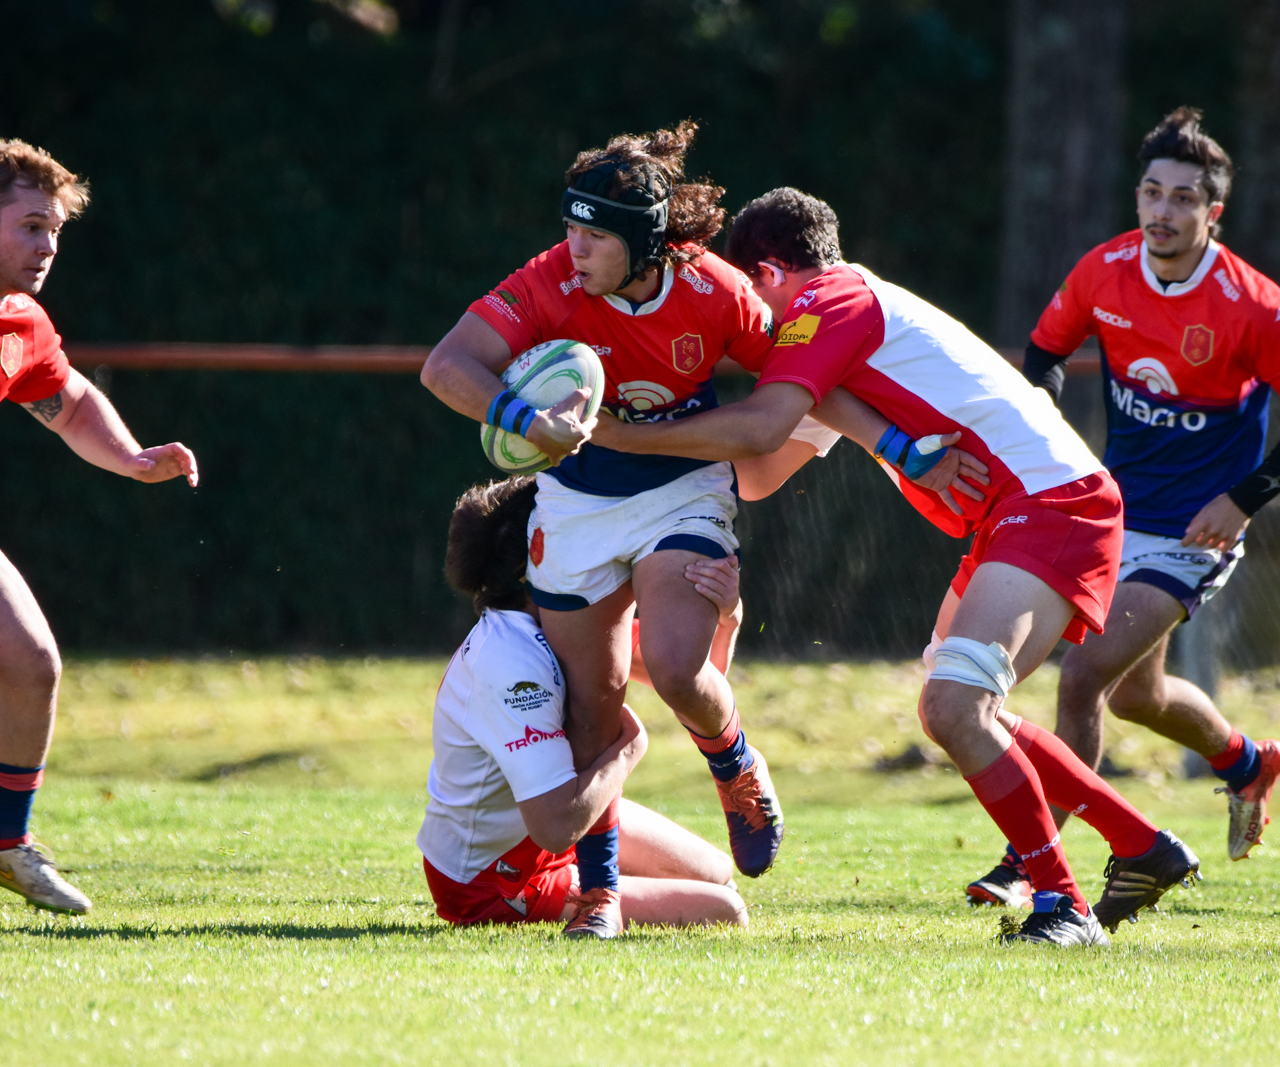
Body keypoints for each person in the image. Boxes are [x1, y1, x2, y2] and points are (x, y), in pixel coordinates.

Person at [593, 187, 1200, 946]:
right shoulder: (829, 339)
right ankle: (1142, 845)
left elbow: (759, 425)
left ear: (773, 274)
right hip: (1016, 514)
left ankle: (1063, 905)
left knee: (956, 705)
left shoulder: (830, 299)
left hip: (1052, 504)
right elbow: (756, 472)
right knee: (963, 710)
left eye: (742, 293)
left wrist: (624, 435)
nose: (736, 316)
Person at [964, 107, 1280, 907]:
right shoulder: (1102, 271)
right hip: (1111, 516)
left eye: (1182, 198)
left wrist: (1243, 500)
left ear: (1213, 213)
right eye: (1151, 193)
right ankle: (1245, 761)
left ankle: (1027, 861)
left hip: (1193, 533)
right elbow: (1042, 358)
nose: (1162, 212)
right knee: (1138, 695)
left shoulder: (1258, 307)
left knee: (1082, 683)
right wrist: (1049, 443)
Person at [420, 122, 790, 939]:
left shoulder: (717, 291)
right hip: (578, 500)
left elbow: (795, 374)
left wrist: (900, 441)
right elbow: (447, 366)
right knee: (594, 705)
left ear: (640, 240)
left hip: (682, 487)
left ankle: (733, 763)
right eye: (570, 228)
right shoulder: (552, 279)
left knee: (676, 663)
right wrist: (526, 420)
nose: (572, 247)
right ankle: (600, 892)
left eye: (592, 234)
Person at [0, 138, 199, 922]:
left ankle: (1, 845)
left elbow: (70, 399)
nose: (48, 247)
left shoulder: (18, 320)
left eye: (54, 230)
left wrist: (132, 458)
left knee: (31, 663)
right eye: (31, 227)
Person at [419, 478, 746, 932]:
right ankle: (583, 891)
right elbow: (554, 827)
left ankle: (596, 884)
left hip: (550, 826)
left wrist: (727, 616)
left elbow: (694, 682)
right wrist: (628, 749)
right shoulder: (514, 666)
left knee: (718, 873)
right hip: (492, 881)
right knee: (725, 910)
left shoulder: (567, 625)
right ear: (540, 555)